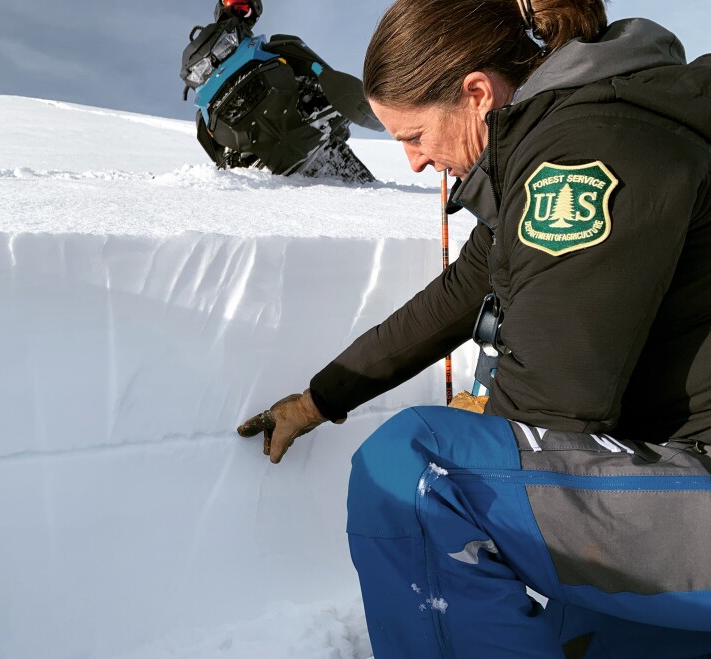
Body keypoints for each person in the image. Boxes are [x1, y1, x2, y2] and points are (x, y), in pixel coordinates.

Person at [237, 0, 711, 656]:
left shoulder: (583, 153)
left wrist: (486, 430)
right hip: (681, 484)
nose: (414, 163)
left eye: (414, 135)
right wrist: (322, 397)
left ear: (477, 93)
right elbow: (460, 293)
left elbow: (555, 410)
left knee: (422, 471)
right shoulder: (588, 124)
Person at [179, 0, 382, 183]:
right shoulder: (211, 38)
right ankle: (229, 159)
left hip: (258, 63)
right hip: (226, 87)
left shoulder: (246, 35)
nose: (238, 9)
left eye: (243, 7)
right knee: (202, 120)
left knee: (286, 45)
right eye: (234, 4)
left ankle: (322, 91)